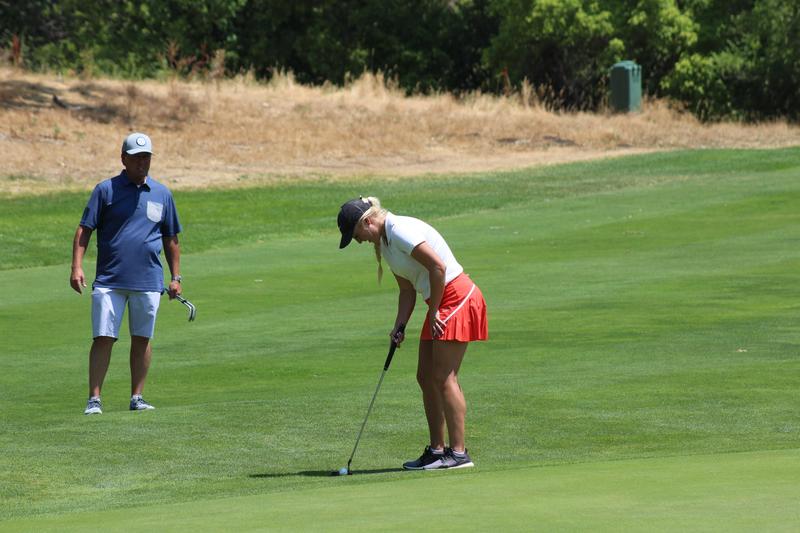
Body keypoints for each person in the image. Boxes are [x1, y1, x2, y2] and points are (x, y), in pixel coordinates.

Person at [337, 197, 488, 470]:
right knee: (425, 376)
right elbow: (407, 291)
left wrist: (435, 311)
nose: (358, 241)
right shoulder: (385, 245)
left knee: (444, 377)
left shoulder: (400, 230)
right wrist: (399, 326)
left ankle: (458, 453)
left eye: (356, 234)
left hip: (456, 297)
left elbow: (438, 267)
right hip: (439, 302)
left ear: (367, 222)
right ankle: (437, 450)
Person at [70, 132, 183, 415]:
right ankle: (94, 399)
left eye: (146, 157)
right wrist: (76, 266)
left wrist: (175, 278)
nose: (142, 162)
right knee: (103, 337)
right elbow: (85, 229)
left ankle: (137, 397)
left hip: (148, 280)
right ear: (124, 159)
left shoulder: (162, 193)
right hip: (110, 279)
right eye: (136, 157)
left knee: (142, 338)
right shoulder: (105, 190)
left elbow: (171, 238)